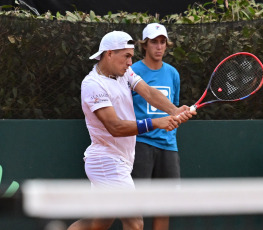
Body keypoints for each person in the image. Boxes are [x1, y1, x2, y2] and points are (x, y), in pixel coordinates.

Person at [67, 30, 195, 230]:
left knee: (98, 222)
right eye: (126, 56)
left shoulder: (125, 73)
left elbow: (148, 92)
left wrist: (174, 110)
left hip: (123, 159)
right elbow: (115, 127)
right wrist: (155, 123)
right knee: (135, 221)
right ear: (109, 53)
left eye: (131, 57)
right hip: (106, 161)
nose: (129, 62)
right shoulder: (93, 85)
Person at [130, 23, 181, 230]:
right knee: (135, 205)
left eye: (162, 42)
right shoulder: (132, 71)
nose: (159, 47)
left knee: (164, 205)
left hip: (168, 146)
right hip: (140, 143)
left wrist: (176, 119)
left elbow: (173, 107)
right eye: (154, 42)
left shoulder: (173, 74)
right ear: (145, 45)